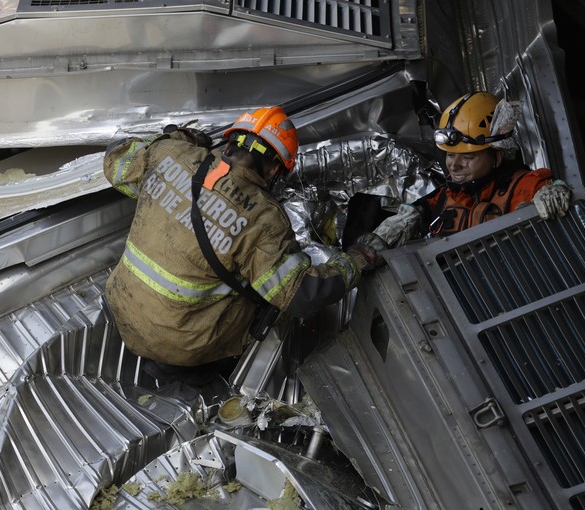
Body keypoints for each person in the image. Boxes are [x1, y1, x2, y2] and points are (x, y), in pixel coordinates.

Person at [102, 106, 379, 383]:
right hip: (183, 347)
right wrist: (355, 259)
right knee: (271, 300)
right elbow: (302, 295)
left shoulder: (169, 154)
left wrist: (180, 138)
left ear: (232, 142)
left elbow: (115, 159)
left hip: (122, 311)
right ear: (273, 169)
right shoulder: (263, 218)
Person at [365, 91, 573, 248]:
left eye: (467, 157)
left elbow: (547, 189)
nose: (454, 165)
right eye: (451, 154)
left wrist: (554, 191)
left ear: (497, 157)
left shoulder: (525, 186)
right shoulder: (443, 198)